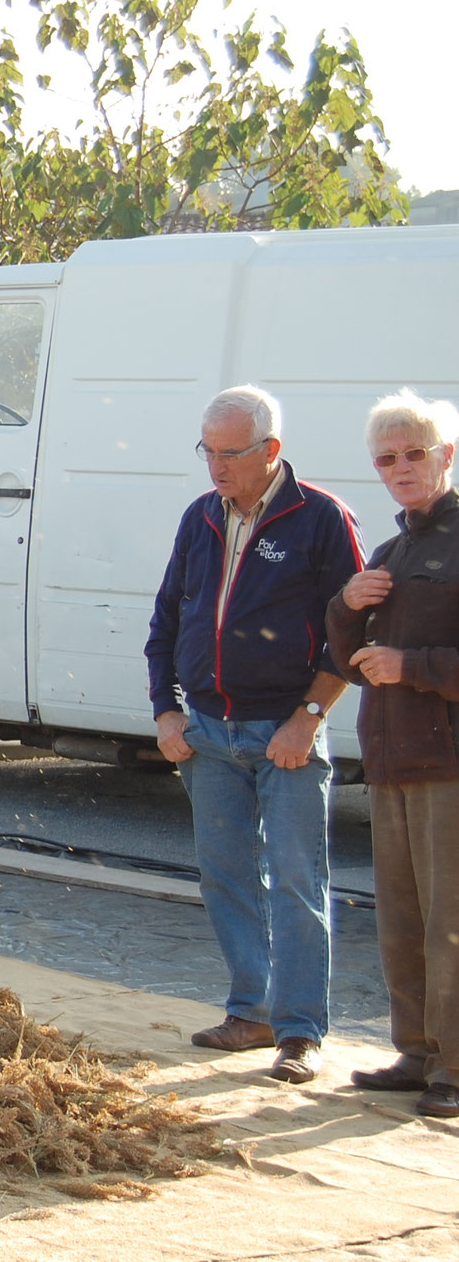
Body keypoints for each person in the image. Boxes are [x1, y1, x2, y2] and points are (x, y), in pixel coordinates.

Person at [145, 385, 364, 1083]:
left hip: (286, 735)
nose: (216, 467)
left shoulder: (321, 520)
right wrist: (166, 711)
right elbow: (167, 623)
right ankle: (252, 1011)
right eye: (207, 451)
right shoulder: (200, 518)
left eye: (230, 454)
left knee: (298, 880)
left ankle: (299, 1032)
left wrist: (309, 717)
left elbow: (351, 635)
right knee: (227, 875)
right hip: (208, 733)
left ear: (270, 450)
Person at [325, 389, 459, 1119]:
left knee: (452, 920)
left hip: (449, 764)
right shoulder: (390, 551)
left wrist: (414, 667)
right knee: (402, 918)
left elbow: (405, 662)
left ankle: (456, 1066)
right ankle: (416, 1050)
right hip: (391, 759)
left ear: (447, 455)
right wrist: (346, 603)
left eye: (415, 453)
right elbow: (348, 661)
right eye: (387, 458)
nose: (401, 467)